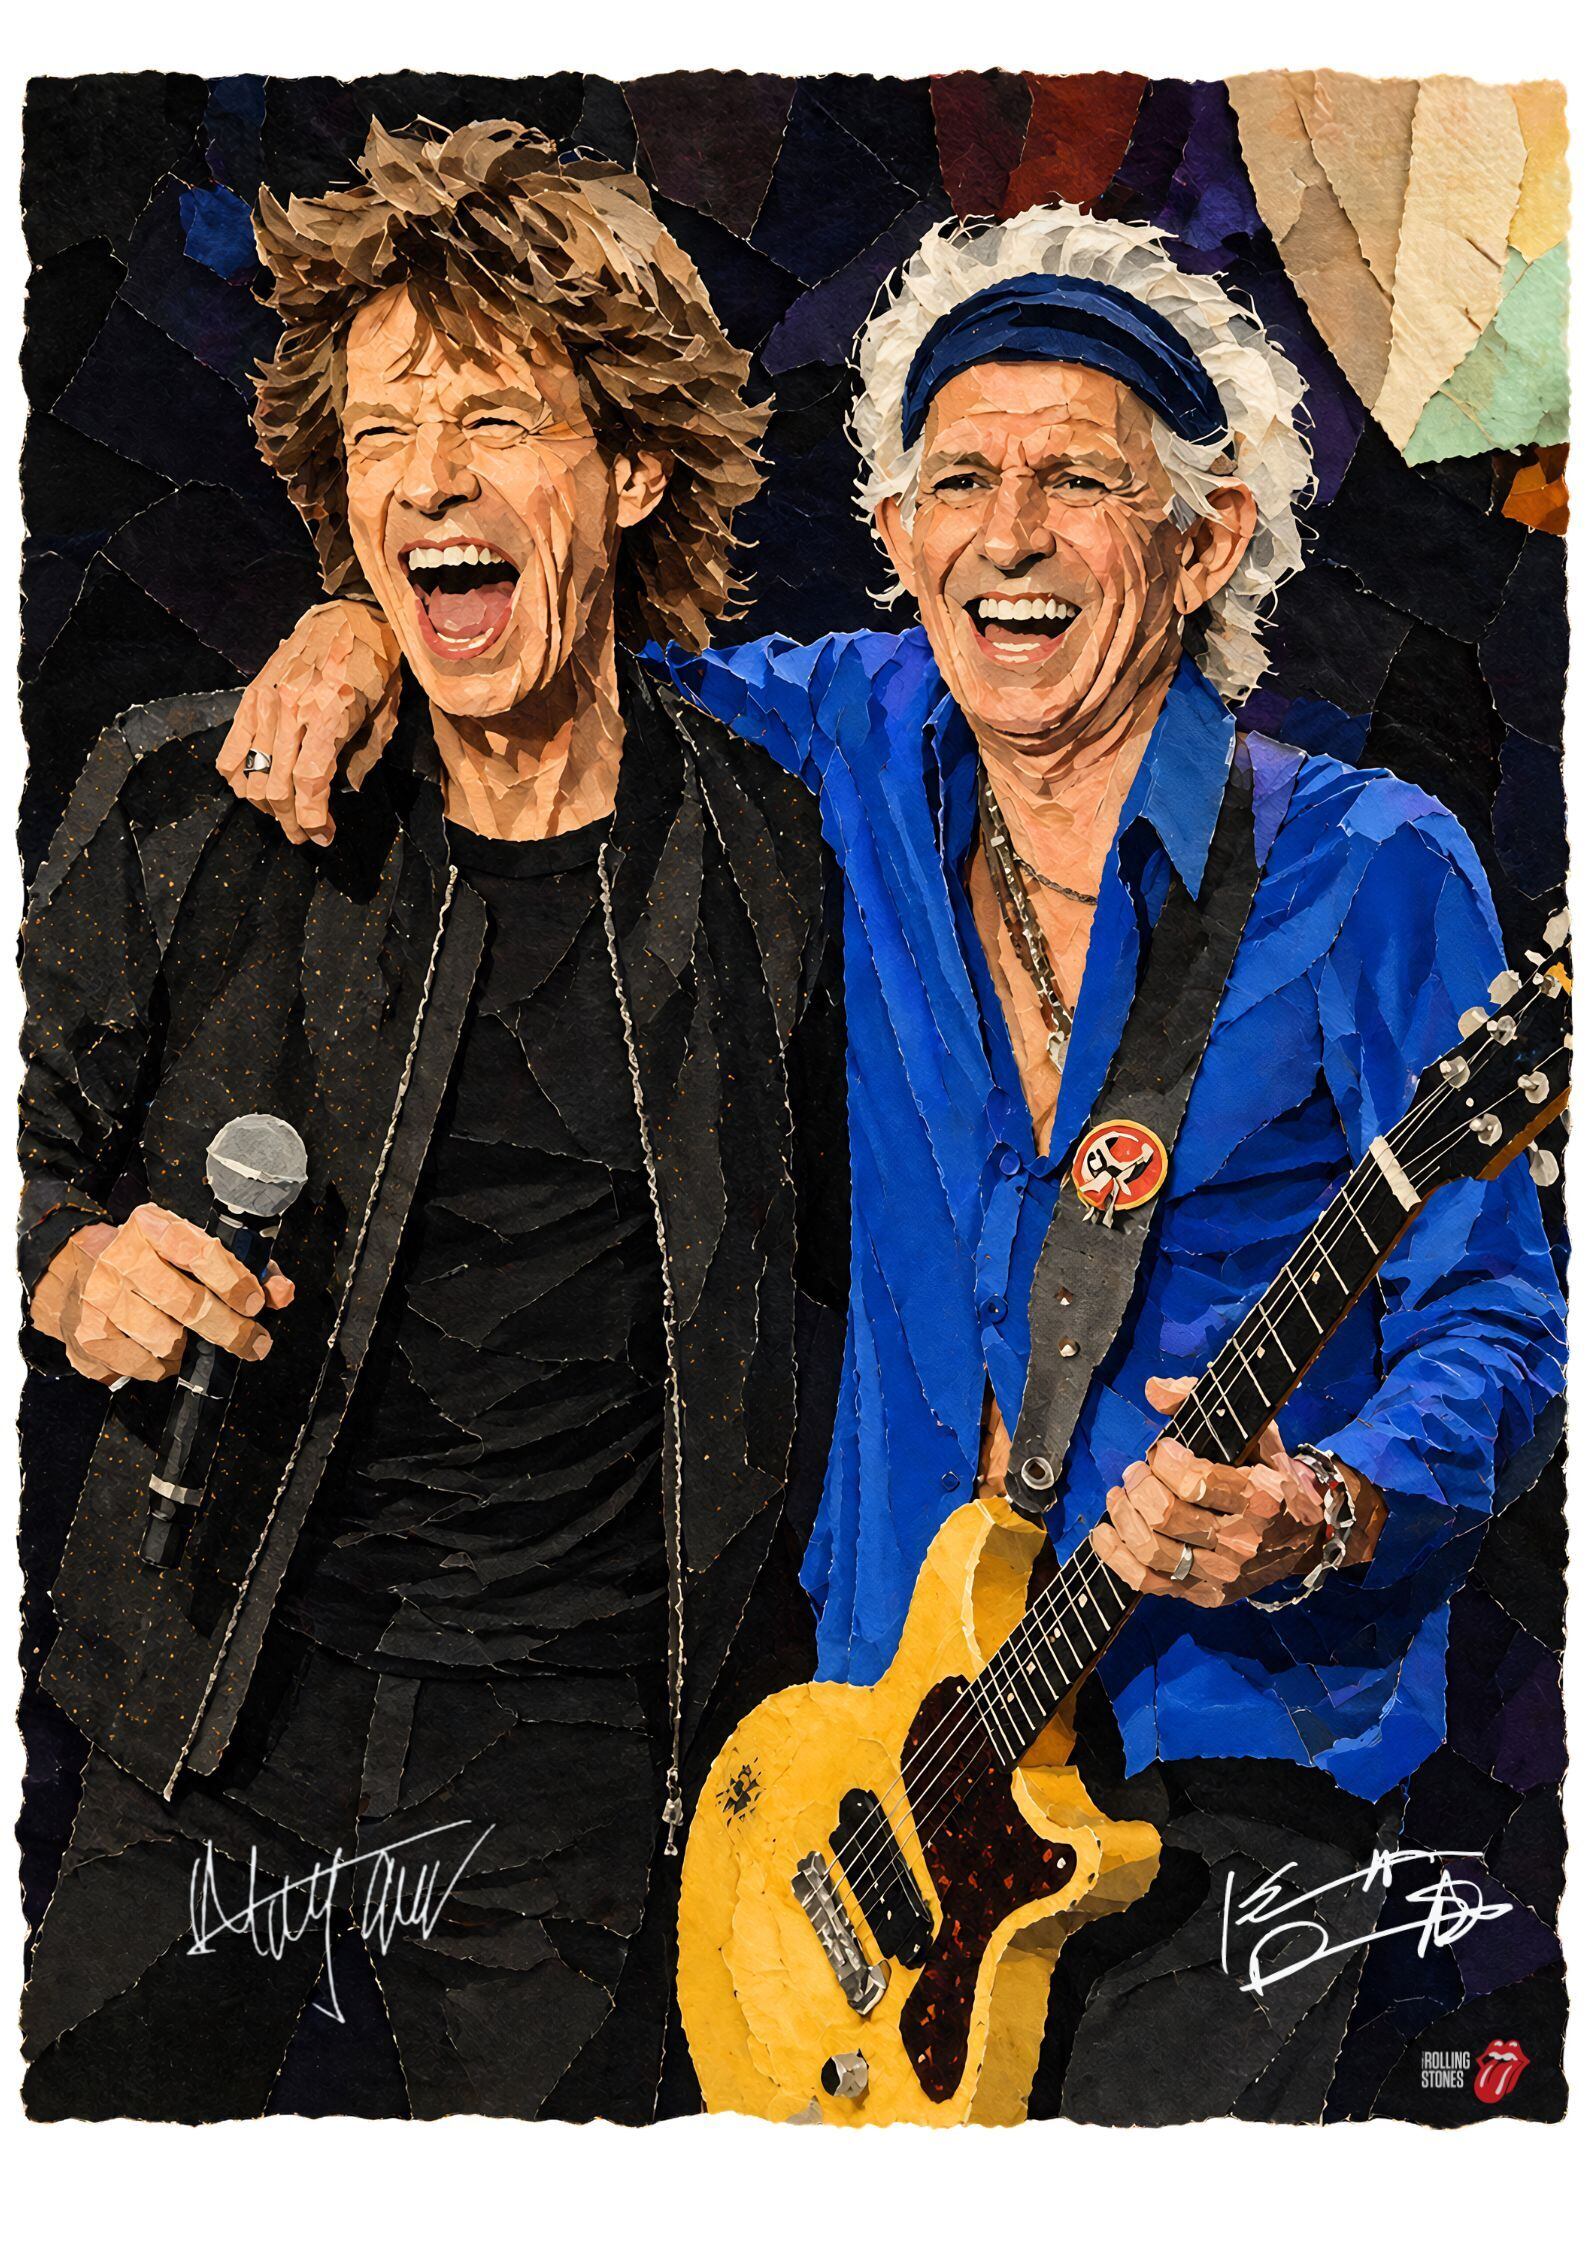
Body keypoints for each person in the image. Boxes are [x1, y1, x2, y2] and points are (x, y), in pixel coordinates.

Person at [239, 197, 1566, 2122]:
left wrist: (1327, 1504)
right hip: (865, 1772)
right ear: (895, 532)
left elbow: (1502, 1330)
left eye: (1076, 482)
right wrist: (360, 622)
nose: (1006, 535)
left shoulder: (1372, 872)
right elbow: (550, 666)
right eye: (959, 481)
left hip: (1221, 1766)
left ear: (1204, 543)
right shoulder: (840, 749)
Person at [20, 119, 844, 2123]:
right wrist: (68, 1264)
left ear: (629, 471)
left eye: (491, 419)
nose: (429, 479)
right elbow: (27, 1147)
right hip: (207, 1717)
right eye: (382, 434)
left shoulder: (768, 858)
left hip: (574, 1782)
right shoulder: (194, 800)